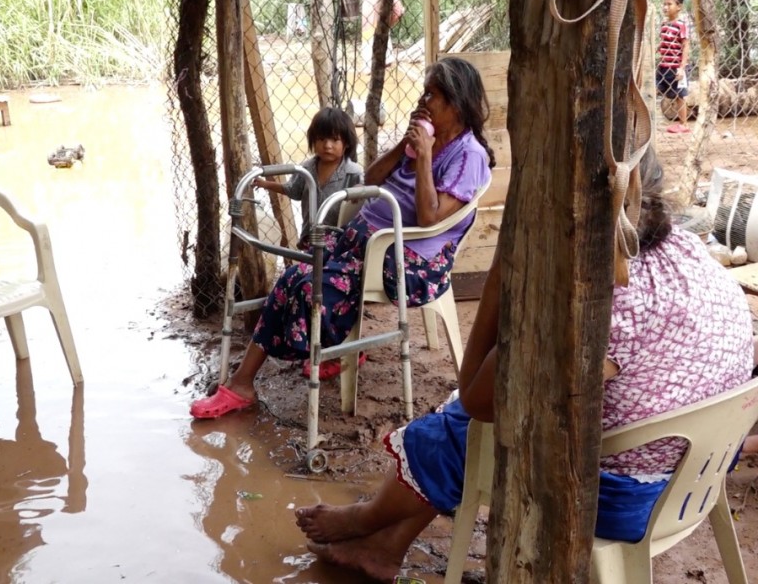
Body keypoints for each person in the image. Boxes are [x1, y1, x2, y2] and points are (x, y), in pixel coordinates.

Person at [293, 148, 754, 582]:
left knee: (462, 426)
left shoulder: (598, 304)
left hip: (628, 499)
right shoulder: (688, 251)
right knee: (484, 412)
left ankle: (368, 518)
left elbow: (477, 398)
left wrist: (504, 265)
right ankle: (384, 546)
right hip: (699, 475)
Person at [190, 56, 495, 419]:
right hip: (364, 243)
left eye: (432, 95)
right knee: (294, 274)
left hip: (406, 261)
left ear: (456, 102)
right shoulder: (424, 141)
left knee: (308, 286)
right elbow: (370, 179)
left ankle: (317, 353)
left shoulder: (468, 155)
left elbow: (430, 217)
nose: (422, 102)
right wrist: (405, 147)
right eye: (424, 93)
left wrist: (426, 157)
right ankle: (249, 380)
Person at [253, 106, 363, 250]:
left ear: (347, 143)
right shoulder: (306, 169)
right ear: (313, 140)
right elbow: (293, 190)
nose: (327, 146)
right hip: (310, 238)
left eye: (335, 140)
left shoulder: (354, 173)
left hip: (340, 242)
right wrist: (265, 184)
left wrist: (361, 189)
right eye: (321, 139)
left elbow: (367, 194)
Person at [657, 0, 692, 134]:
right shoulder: (664, 24)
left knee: (680, 95)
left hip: (677, 67)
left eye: (669, 4)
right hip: (664, 66)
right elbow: (664, 42)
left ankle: (683, 124)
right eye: (664, 4)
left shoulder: (681, 25)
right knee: (656, 87)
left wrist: (682, 67)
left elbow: (686, 45)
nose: (665, 7)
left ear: (679, 7)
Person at [361, 0, 405, 73]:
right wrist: (388, 24)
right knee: (385, 67)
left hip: (366, 33)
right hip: (381, 30)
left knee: (369, 70)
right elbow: (398, 11)